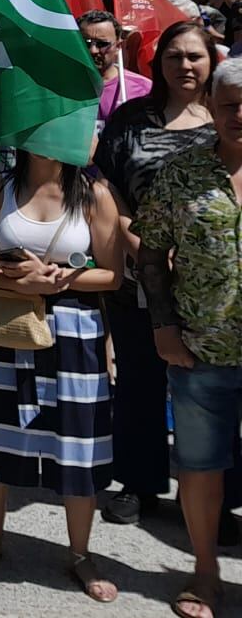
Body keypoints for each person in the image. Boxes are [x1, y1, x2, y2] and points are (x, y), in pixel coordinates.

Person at [0, 151, 122, 601]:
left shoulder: (95, 195)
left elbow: (112, 274)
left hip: (74, 332)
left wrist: (58, 280)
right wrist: (17, 283)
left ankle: (81, 552)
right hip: (7, 324)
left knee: (76, 442)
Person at [94, 20, 218, 527]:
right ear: (158, 62)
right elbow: (105, 184)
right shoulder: (129, 119)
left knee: (207, 388)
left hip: (211, 280)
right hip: (138, 273)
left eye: (195, 56)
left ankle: (208, 492)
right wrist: (137, 242)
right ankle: (138, 483)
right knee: (140, 379)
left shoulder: (224, 118)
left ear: (212, 62)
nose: (184, 65)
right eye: (174, 56)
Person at [131, 55, 242, 618]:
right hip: (202, 349)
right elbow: (150, 253)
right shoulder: (181, 171)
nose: (240, 114)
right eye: (230, 105)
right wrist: (162, 324)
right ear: (213, 109)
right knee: (200, 467)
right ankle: (204, 573)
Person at [80, 9, 150, 124]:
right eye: (86, 43)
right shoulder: (60, 86)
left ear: (118, 46)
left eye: (102, 44)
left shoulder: (143, 90)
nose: (93, 50)